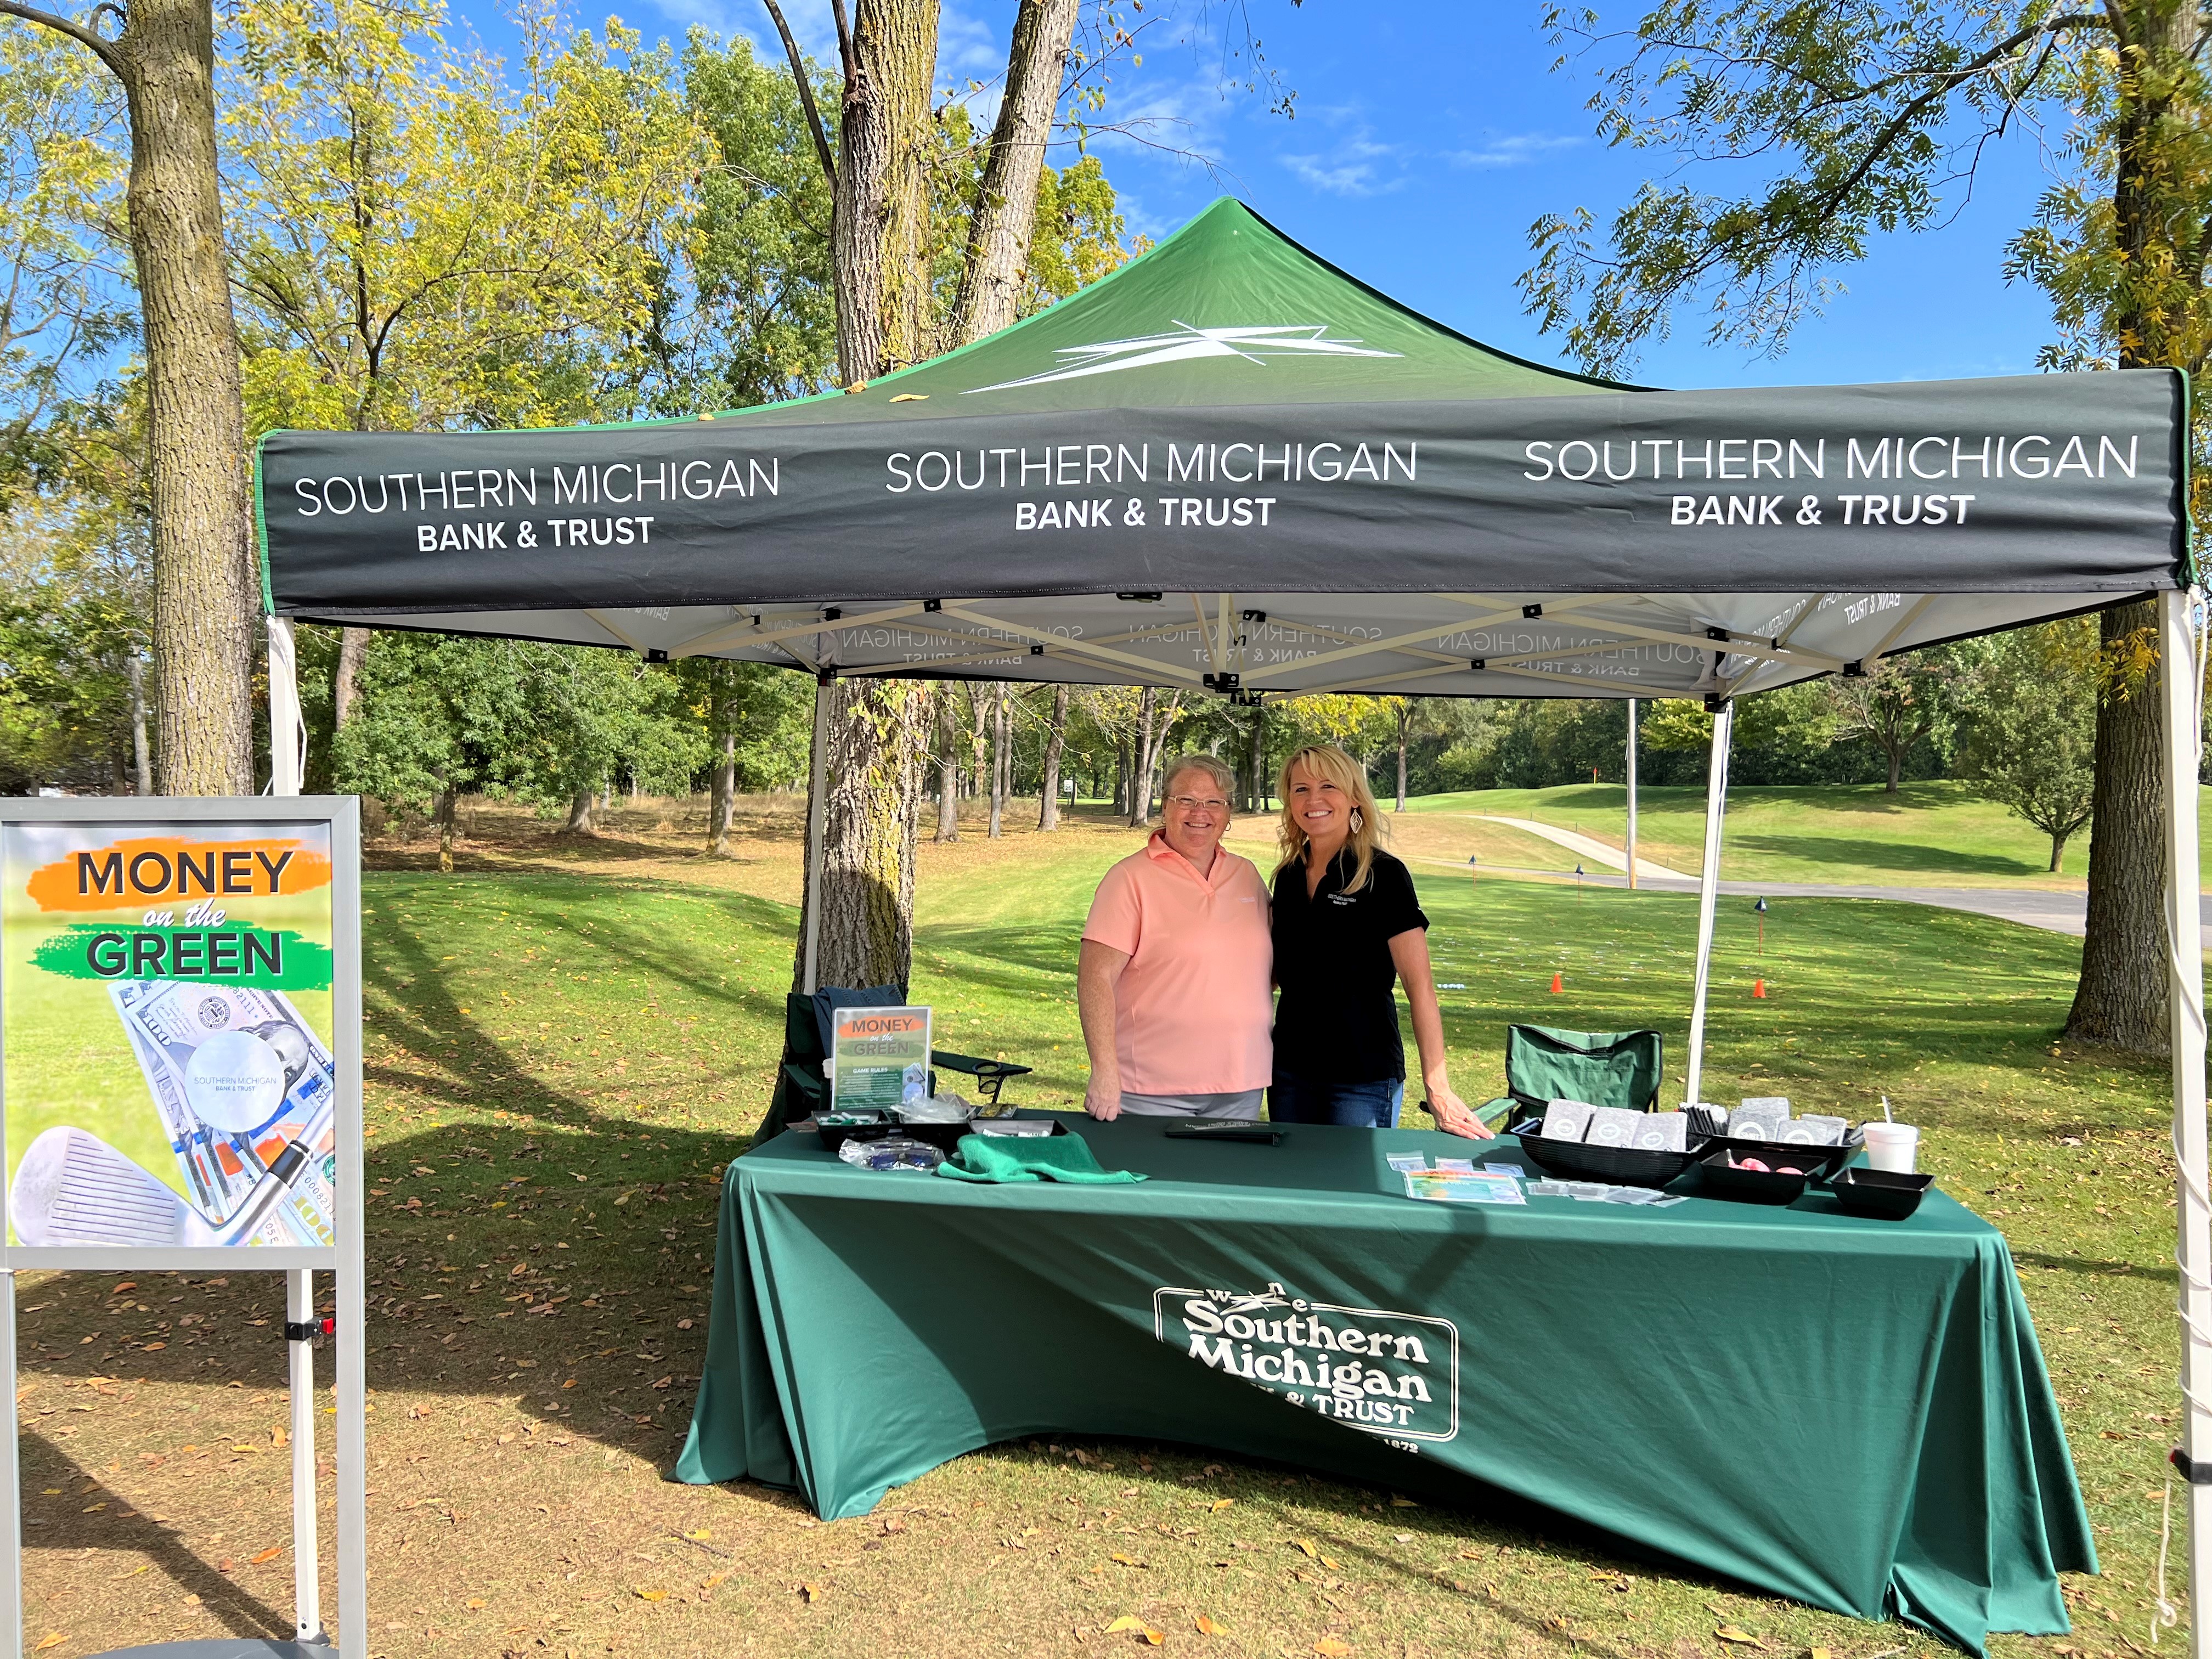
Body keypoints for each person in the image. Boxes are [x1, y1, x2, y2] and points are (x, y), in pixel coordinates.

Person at [1267, 744, 1489, 1138]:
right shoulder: (1286, 877)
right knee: (1295, 1193)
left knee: (1354, 1194)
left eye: (1327, 786)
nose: (1313, 799)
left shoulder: (1383, 875)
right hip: (1289, 1074)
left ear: (1354, 798)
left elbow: (1420, 988)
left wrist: (1438, 1089)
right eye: (1300, 789)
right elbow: (1274, 975)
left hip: (1362, 1077)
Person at [1078, 754, 1273, 1120]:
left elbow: (1268, 966)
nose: (1200, 812)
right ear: (1165, 806)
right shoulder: (1128, 879)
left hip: (1241, 1084)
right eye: (1186, 800)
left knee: (1223, 1179)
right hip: (1152, 1089)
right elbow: (1095, 978)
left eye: (1214, 802)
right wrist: (1104, 1070)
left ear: (1228, 813)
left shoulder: (1246, 876)